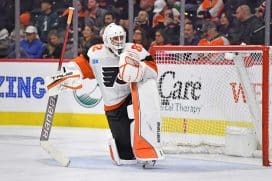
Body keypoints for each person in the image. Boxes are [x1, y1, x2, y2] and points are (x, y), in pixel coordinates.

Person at [45, 23, 164, 166]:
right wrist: (64, 76)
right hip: (114, 104)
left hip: (133, 95)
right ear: (107, 40)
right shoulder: (96, 54)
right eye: (115, 39)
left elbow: (154, 71)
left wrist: (140, 68)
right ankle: (128, 149)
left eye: (121, 38)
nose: (119, 42)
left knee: (147, 90)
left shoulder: (135, 50)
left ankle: (149, 145)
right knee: (126, 155)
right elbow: (78, 67)